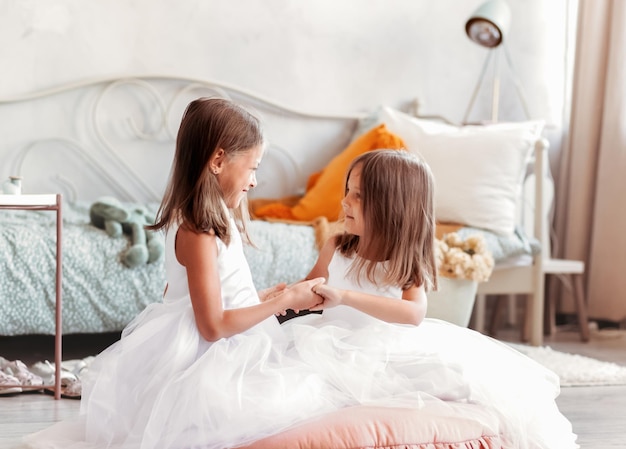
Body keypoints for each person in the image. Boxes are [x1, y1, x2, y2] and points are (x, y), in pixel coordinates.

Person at [23, 98, 331, 449]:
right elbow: (212, 325)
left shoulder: (211, 219)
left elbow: (197, 295)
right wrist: (286, 302)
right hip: (211, 360)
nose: (255, 182)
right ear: (218, 161)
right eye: (252, 168)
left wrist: (258, 297)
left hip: (231, 343)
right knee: (295, 399)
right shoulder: (198, 231)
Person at [276, 149, 578, 449]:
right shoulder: (337, 247)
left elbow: (413, 314)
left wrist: (344, 297)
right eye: (347, 192)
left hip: (385, 352)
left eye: (357, 195)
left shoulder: (403, 262)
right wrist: (285, 297)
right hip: (331, 343)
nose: (344, 202)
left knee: (452, 379)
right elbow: (311, 287)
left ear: (390, 207)